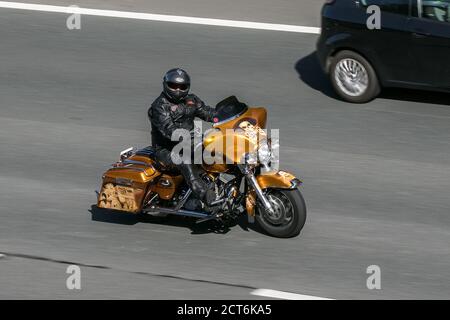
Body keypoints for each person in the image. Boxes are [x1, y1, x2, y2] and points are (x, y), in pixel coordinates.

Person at [148, 68, 217, 207]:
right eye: (174, 86)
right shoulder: (159, 106)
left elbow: (208, 113)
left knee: (219, 151)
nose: (178, 90)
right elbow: (170, 131)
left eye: (182, 86)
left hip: (190, 144)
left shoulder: (191, 100)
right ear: (166, 85)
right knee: (184, 160)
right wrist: (195, 139)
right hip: (166, 150)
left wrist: (228, 117)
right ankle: (204, 195)